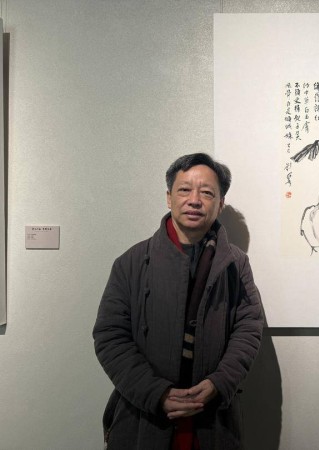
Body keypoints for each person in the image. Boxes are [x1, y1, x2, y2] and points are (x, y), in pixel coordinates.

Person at [93, 153, 264, 450]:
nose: (194, 200)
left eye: (207, 193)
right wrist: (155, 392)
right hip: (143, 416)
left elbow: (248, 329)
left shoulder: (236, 264)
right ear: (169, 198)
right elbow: (110, 336)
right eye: (184, 190)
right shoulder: (131, 262)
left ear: (220, 204)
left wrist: (220, 382)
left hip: (212, 418)